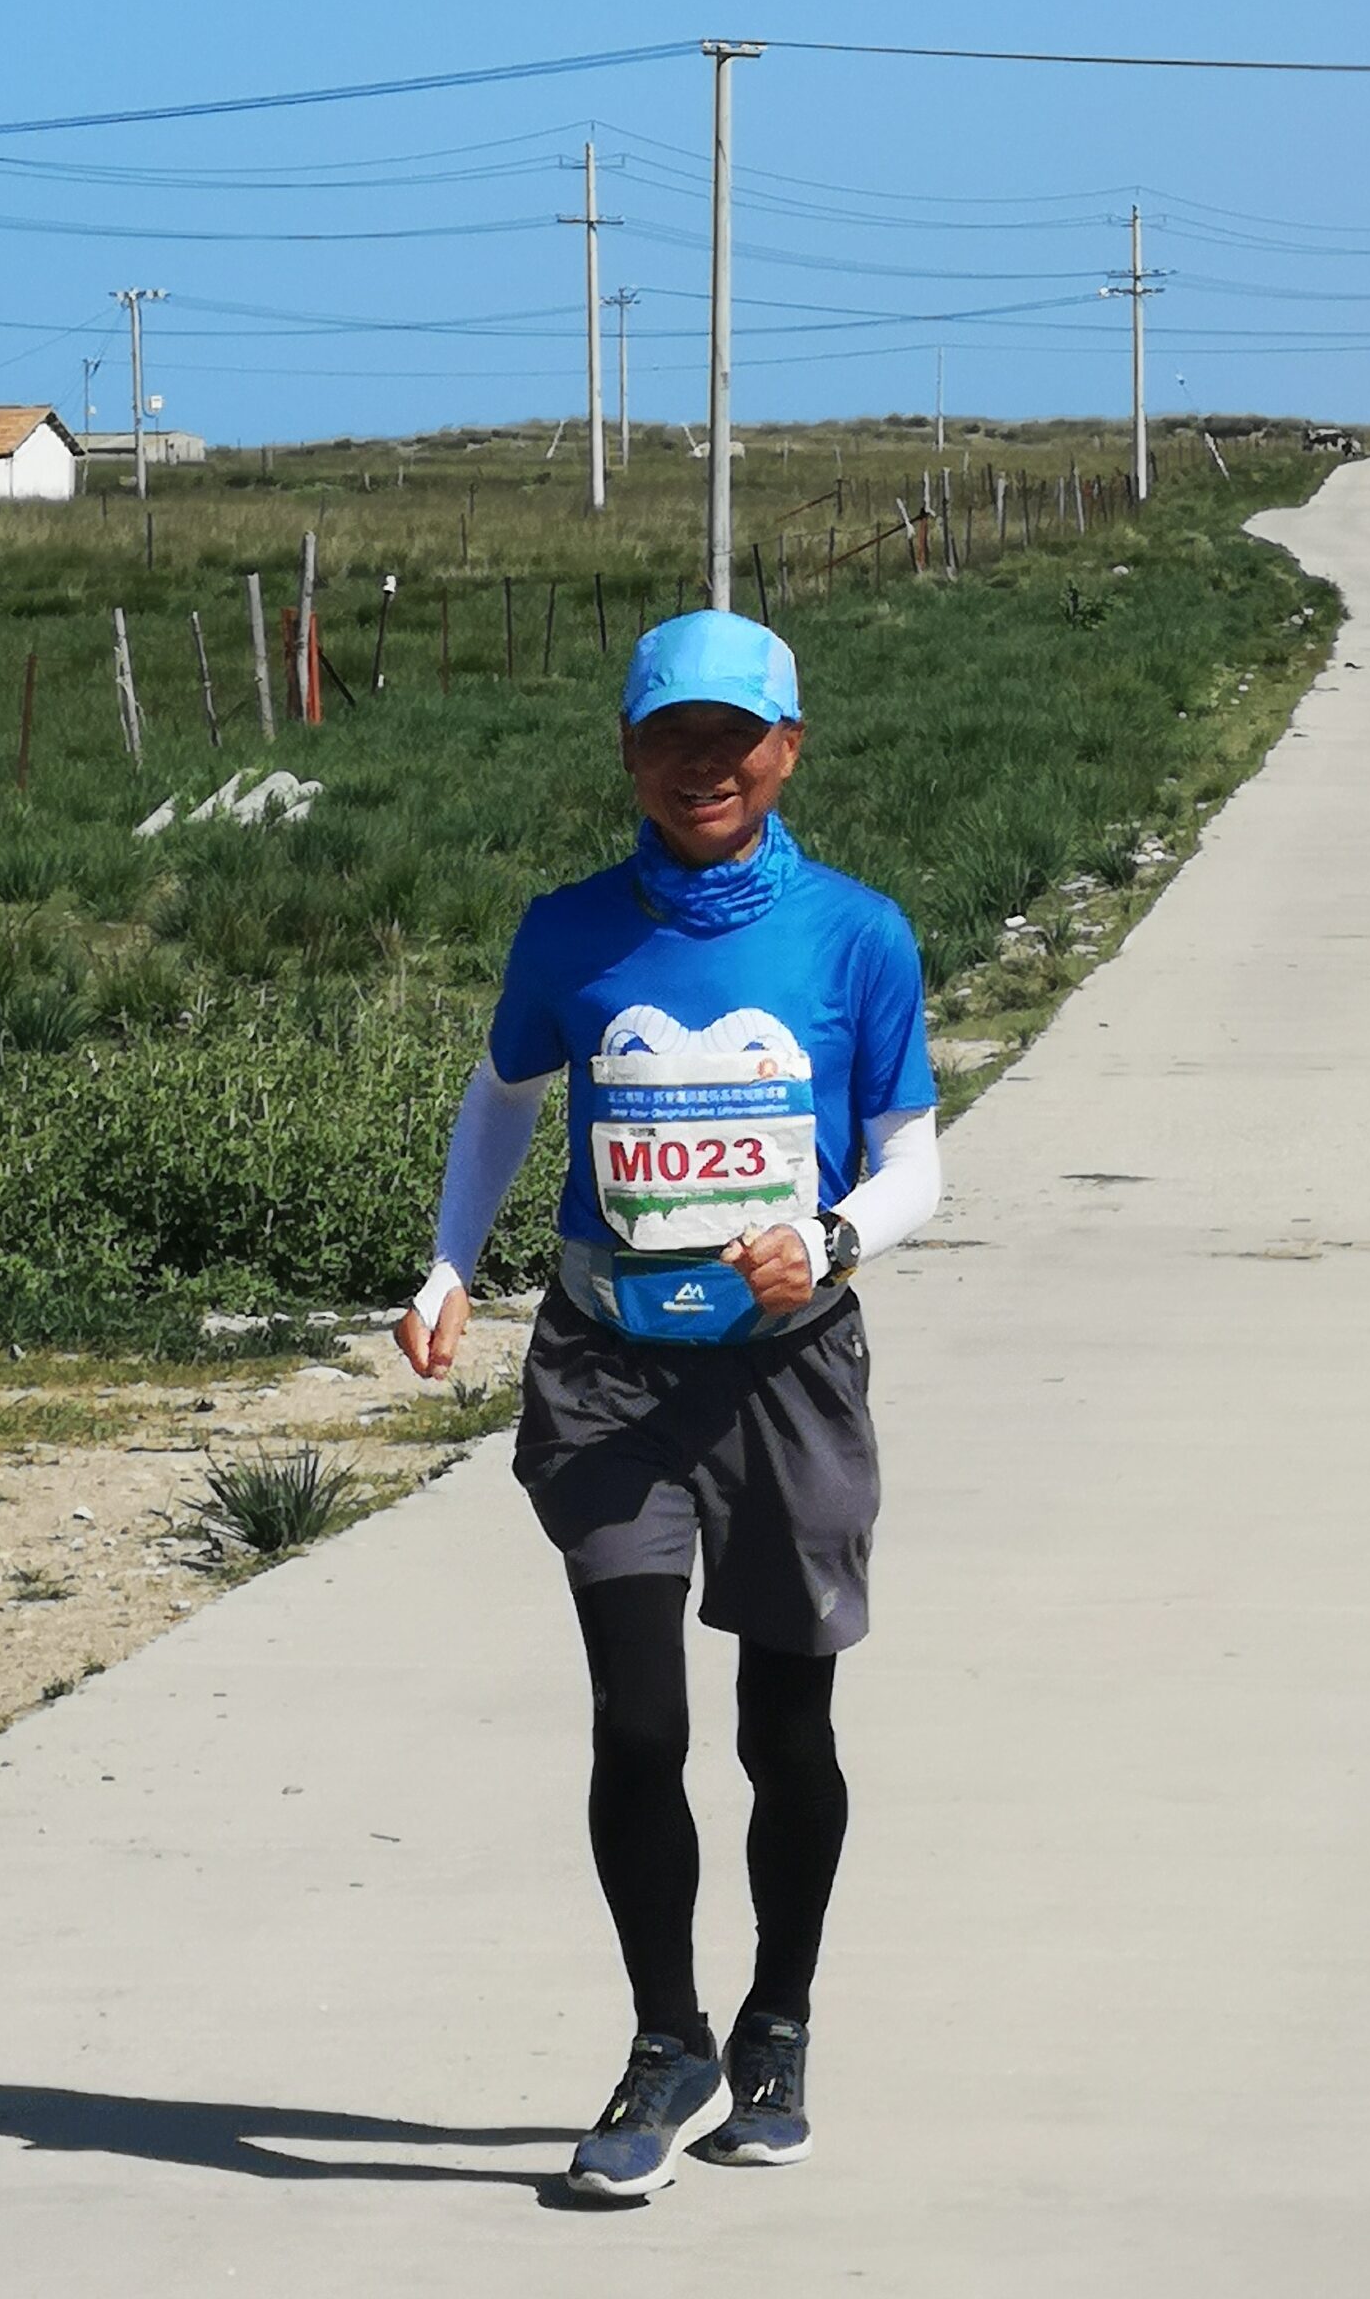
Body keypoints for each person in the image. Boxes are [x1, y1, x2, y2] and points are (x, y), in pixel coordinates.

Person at [396, 609, 940, 2201]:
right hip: (609, 1369)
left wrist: (829, 1239)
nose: (702, 765)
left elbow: (915, 1160)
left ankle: (778, 2019)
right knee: (638, 1720)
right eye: (670, 736)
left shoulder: (858, 937)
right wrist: (449, 1266)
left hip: (788, 1374)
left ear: (788, 750)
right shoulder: (568, 934)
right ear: (628, 753)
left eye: (733, 737)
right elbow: (503, 1100)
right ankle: (666, 2039)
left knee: (786, 1729)